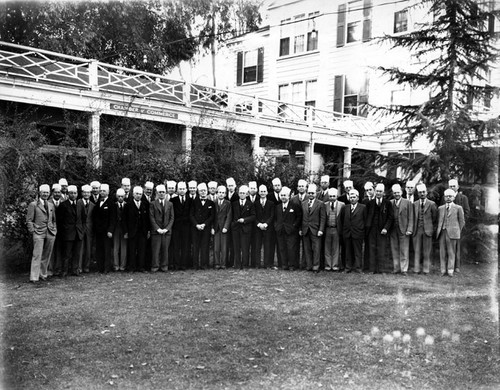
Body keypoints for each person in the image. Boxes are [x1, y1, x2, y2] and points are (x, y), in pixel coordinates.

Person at [26, 184, 57, 283]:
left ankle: (43, 274)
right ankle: (34, 277)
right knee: (37, 254)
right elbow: (29, 220)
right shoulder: (33, 205)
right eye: (44, 192)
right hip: (38, 232)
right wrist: (33, 230)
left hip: (50, 232)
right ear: (40, 193)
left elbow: (54, 219)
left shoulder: (51, 205)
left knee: (47, 254)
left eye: (47, 192)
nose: (45, 194)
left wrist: (54, 229)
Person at [436, 189, 465, 277]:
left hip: (453, 233)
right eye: (446, 196)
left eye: (450, 196)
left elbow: (462, 221)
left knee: (451, 251)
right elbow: (439, 220)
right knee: (442, 251)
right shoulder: (440, 208)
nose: (448, 198)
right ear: (444, 197)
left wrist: (457, 230)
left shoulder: (458, 208)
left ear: (454, 197)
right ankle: (443, 270)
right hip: (442, 232)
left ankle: (450, 270)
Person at [366, 183, 393, 274]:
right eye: (377, 191)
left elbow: (390, 217)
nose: (378, 193)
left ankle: (381, 269)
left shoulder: (388, 203)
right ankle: (372, 269)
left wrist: (386, 228)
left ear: (383, 193)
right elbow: (367, 216)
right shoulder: (370, 203)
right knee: (372, 248)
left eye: (380, 191)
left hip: (382, 230)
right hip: (372, 229)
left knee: (382, 249)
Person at [274, 187, 302, 270]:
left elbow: (299, 217)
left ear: (288, 196)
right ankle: (284, 264)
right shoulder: (278, 207)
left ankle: (292, 265)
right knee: (282, 248)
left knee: (291, 248)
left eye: (285, 195)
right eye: (281, 195)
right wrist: (276, 226)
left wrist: (294, 226)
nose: (283, 197)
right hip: (280, 231)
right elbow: (275, 218)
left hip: (291, 231)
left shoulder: (295, 206)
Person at [339, 189, 366, 273]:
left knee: (358, 251)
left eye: (354, 197)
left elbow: (365, 220)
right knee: (348, 251)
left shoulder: (363, 207)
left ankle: (358, 268)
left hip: (358, 233)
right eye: (351, 197)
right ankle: (348, 267)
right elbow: (341, 220)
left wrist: (362, 231)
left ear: (358, 198)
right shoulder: (345, 208)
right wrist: (343, 232)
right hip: (347, 233)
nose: (352, 199)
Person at [124, 186, 151, 272]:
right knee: (132, 250)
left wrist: (148, 231)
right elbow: (124, 220)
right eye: (137, 194)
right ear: (133, 194)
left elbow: (147, 219)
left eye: (140, 194)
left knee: (142, 250)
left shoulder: (145, 205)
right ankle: (132, 267)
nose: (138, 196)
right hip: (132, 231)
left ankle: (141, 267)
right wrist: (126, 231)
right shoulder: (128, 205)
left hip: (142, 231)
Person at [300, 184, 326, 272]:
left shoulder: (320, 204)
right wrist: (300, 229)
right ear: (307, 193)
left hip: (316, 230)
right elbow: (301, 217)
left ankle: (316, 266)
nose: (311, 194)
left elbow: (323, 218)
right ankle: (309, 265)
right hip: (305, 229)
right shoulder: (303, 203)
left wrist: (321, 230)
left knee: (316, 249)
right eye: (309, 193)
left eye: (312, 193)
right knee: (307, 249)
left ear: (315, 193)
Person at [412, 183, 437, 275]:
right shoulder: (414, 204)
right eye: (420, 192)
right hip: (417, 230)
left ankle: (426, 269)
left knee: (427, 251)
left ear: (426, 192)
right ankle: (416, 269)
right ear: (418, 194)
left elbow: (435, 218)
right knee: (417, 250)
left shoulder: (432, 204)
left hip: (427, 230)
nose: (422, 194)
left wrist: (430, 227)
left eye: (423, 192)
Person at [149, 184, 174, 272]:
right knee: (156, 250)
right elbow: (151, 217)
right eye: (160, 192)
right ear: (156, 193)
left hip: (167, 231)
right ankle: (155, 266)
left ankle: (164, 266)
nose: (161, 194)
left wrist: (167, 229)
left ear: (165, 193)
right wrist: (157, 228)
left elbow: (172, 218)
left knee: (165, 249)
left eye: (163, 192)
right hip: (156, 231)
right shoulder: (152, 204)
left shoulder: (170, 204)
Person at [57, 185, 82, 276]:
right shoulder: (63, 205)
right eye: (71, 193)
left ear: (77, 194)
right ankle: (64, 271)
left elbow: (83, 218)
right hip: (68, 233)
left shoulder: (80, 204)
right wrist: (64, 231)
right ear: (68, 194)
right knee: (66, 253)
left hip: (78, 233)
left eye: (75, 193)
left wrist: (81, 230)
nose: (73, 195)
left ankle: (75, 270)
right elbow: (60, 220)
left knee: (76, 253)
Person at [389, 184, 413, 276]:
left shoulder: (407, 203)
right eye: (395, 193)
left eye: (398, 192)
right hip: (393, 230)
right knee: (394, 249)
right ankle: (396, 268)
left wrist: (409, 229)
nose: (396, 194)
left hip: (404, 229)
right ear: (393, 193)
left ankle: (404, 269)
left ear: (401, 192)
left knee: (404, 250)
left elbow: (411, 217)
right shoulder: (390, 203)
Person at [447, 179, 470, 273]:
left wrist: (461, 225)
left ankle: (457, 266)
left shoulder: (463, 198)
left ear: (458, 187)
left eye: (454, 186)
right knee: (447, 245)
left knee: (457, 247)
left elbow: (467, 212)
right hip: (448, 226)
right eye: (450, 186)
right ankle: (448, 265)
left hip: (458, 227)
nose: (452, 188)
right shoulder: (445, 197)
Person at [231, 185, 256, 269]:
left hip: (246, 229)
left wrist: (244, 220)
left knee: (245, 247)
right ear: (238, 194)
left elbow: (253, 216)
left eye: (243, 193)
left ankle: (245, 264)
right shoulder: (234, 204)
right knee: (236, 247)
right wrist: (234, 223)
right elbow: (231, 216)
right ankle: (237, 264)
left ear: (247, 194)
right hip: (236, 228)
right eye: (240, 193)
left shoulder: (250, 204)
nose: (242, 194)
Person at [190, 183, 215, 269]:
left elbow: (212, 216)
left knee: (205, 246)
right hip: (195, 227)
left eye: (204, 190)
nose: (203, 192)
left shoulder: (211, 203)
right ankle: (195, 265)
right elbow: (191, 215)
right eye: (201, 191)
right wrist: (196, 224)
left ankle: (204, 264)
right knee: (195, 246)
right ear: (198, 192)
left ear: (207, 191)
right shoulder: (193, 202)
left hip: (206, 227)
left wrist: (205, 224)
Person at [171, 182, 192, 270]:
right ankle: (176, 264)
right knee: (176, 246)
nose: (182, 191)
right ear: (177, 190)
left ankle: (184, 264)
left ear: (186, 190)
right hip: (176, 227)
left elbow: (191, 214)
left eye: (183, 189)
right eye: (180, 189)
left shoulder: (190, 200)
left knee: (185, 245)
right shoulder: (173, 200)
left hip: (186, 227)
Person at [93, 184, 113, 273]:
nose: (102, 192)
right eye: (101, 191)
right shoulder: (98, 202)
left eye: (104, 191)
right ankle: (99, 267)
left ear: (108, 192)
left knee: (107, 250)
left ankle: (106, 268)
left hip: (106, 231)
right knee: (99, 250)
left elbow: (113, 219)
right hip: (98, 231)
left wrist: (110, 230)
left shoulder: (111, 203)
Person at [254, 184, 275, 269]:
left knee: (267, 246)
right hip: (258, 228)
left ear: (266, 192)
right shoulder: (255, 203)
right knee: (257, 246)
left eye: (264, 191)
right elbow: (254, 215)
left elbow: (272, 215)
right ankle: (257, 264)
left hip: (268, 228)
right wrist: (259, 224)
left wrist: (266, 224)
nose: (262, 193)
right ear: (258, 192)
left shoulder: (271, 203)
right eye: (261, 191)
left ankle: (267, 264)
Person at [212, 185, 232, 269]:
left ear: (225, 194)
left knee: (224, 247)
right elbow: (212, 216)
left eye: (223, 193)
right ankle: (216, 263)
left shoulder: (228, 203)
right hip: (216, 227)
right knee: (216, 247)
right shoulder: (214, 203)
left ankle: (223, 263)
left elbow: (229, 215)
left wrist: (226, 227)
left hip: (224, 227)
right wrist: (212, 227)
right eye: (220, 192)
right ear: (217, 193)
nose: (221, 194)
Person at [324, 188, 344, 272]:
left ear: (337, 196)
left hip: (336, 229)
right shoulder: (325, 204)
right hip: (328, 228)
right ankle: (328, 265)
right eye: (330, 196)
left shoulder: (342, 205)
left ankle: (335, 265)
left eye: (334, 196)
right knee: (327, 248)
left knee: (336, 248)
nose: (332, 198)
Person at [76, 184, 94, 274]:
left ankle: (86, 267)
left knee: (88, 249)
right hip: (80, 229)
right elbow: (78, 217)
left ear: (90, 194)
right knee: (80, 249)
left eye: (88, 192)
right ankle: (79, 267)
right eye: (85, 192)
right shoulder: (78, 203)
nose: (86, 194)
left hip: (89, 229)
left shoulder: (92, 205)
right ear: (82, 193)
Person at [109, 188, 127, 272]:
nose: (120, 198)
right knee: (116, 247)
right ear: (116, 196)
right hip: (115, 228)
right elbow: (111, 219)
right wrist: (111, 230)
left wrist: (126, 231)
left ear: (124, 196)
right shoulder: (113, 205)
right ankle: (116, 265)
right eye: (119, 196)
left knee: (124, 248)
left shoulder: (127, 205)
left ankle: (123, 265)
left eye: (122, 196)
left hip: (124, 229)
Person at [48, 183, 63, 276]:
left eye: (59, 192)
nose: (57, 194)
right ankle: (50, 269)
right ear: (52, 193)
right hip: (50, 229)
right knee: (50, 249)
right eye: (55, 192)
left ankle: (58, 269)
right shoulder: (48, 202)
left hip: (61, 230)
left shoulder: (64, 201)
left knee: (59, 249)